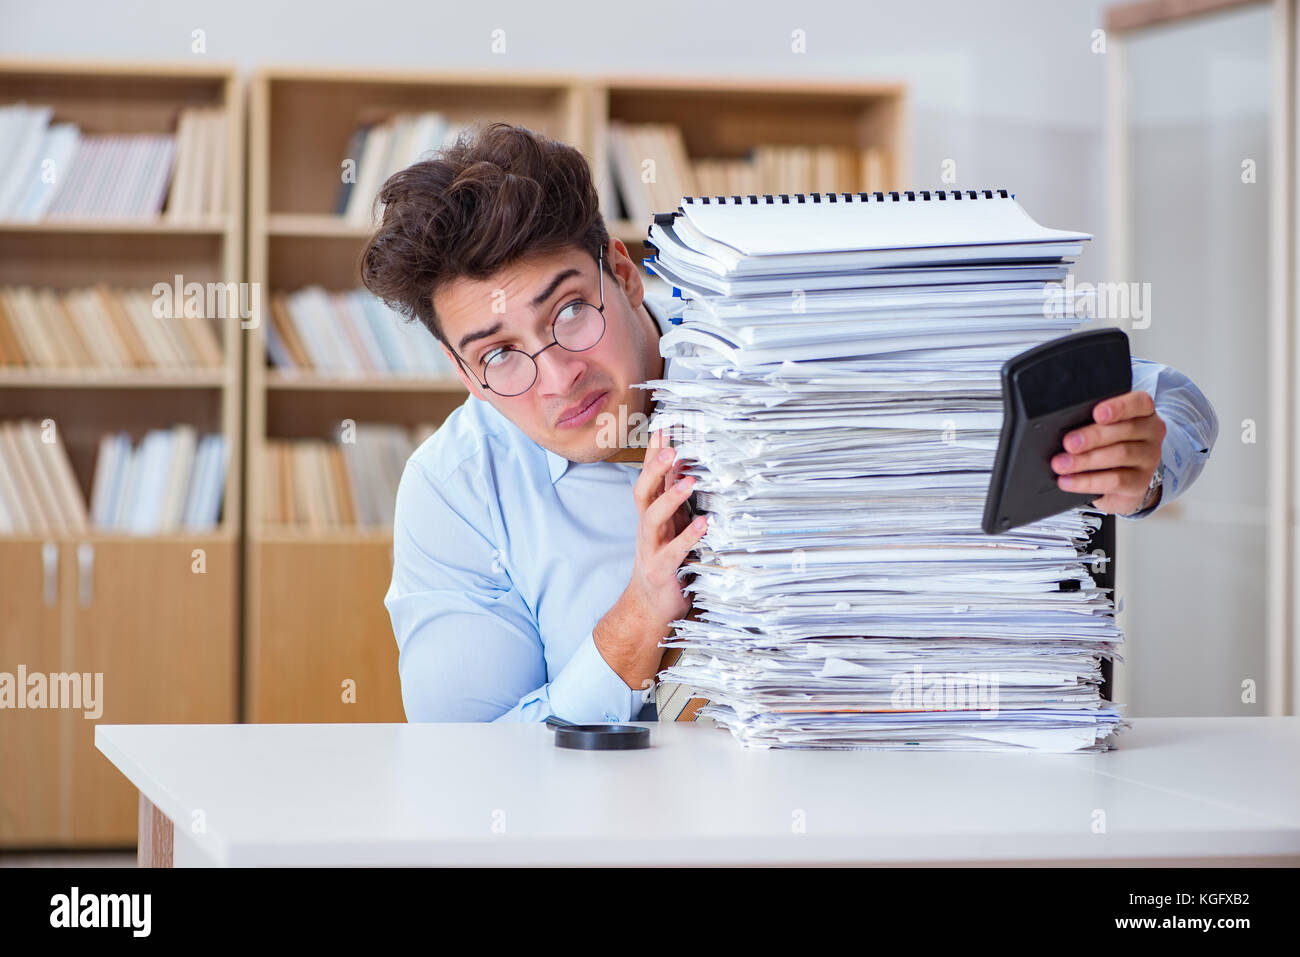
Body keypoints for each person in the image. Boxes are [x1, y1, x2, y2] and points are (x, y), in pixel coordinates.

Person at [360, 122, 1218, 723]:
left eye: (571, 312)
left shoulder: (768, 328)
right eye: (499, 355)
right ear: (463, 374)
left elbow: (1169, 395)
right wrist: (635, 621)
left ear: (620, 272)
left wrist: (1140, 458)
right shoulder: (455, 488)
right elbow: (473, 767)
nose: (556, 376)